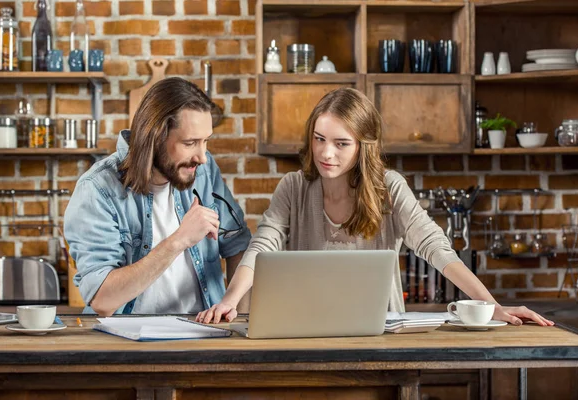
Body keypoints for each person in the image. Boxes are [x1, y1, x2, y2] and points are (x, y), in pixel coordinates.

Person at [197, 87, 554, 327]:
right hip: (307, 330)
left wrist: (493, 306)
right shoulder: (293, 187)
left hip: (381, 333)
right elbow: (262, 246)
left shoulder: (389, 189)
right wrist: (231, 298)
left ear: (363, 147)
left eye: (341, 143)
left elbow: (436, 248)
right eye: (319, 139)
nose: (326, 153)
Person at [64, 78, 251, 316]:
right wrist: (179, 240)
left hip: (203, 335)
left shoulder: (203, 170)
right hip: (126, 344)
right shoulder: (97, 190)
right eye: (190, 143)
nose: (202, 156)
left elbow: (238, 245)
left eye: (205, 141)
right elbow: (102, 299)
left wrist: (237, 316)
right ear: (155, 137)